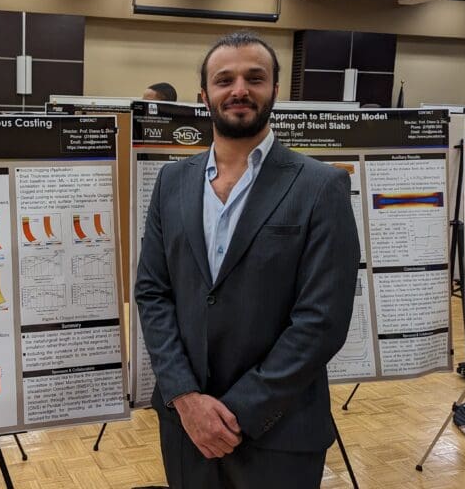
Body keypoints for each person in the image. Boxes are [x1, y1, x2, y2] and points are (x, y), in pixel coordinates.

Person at [134, 32, 360, 489]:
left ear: (275, 89)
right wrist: (185, 397)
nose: (239, 89)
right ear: (205, 96)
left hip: (279, 429)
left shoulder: (320, 187)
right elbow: (153, 292)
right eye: (225, 79)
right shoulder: (172, 182)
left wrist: (238, 411)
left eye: (254, 78)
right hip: (186, 425)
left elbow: (322, 320)